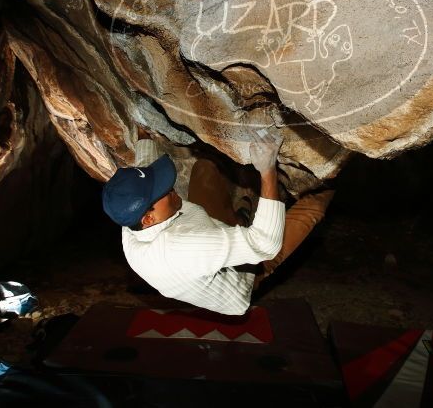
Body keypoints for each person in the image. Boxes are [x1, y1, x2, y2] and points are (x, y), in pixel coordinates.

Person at [101, 126, 333, 315]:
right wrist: (267, 169)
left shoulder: (131, 220)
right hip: (245, 274)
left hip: (206, 230)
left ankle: (240, 216)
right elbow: (265, 243)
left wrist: (143, 133)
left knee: (204, 168)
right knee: (314, 204)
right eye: (164, 191)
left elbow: (144, 171)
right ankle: (248, 214)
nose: (171, 188)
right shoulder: (180, 249)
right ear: (149, 218)